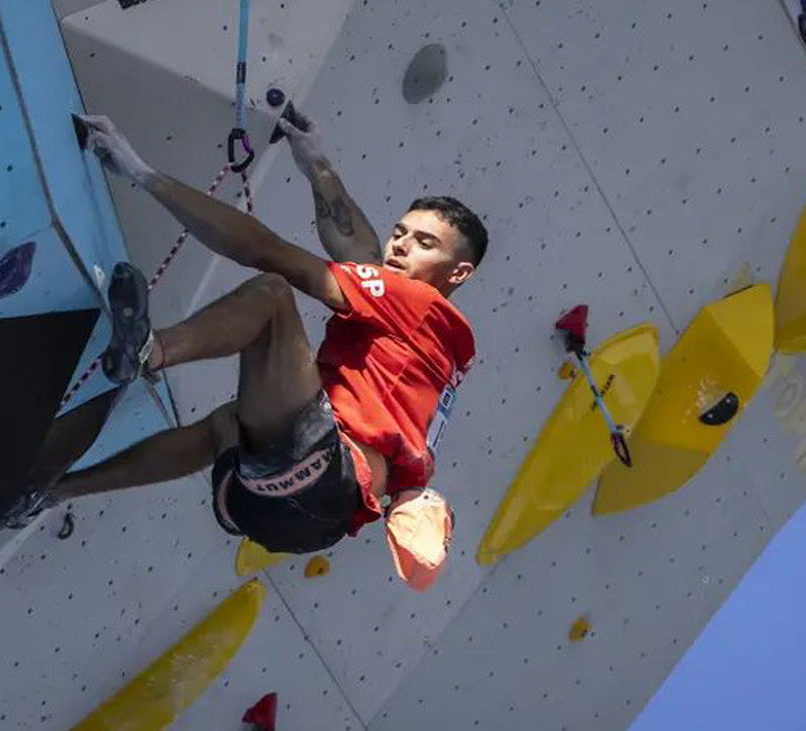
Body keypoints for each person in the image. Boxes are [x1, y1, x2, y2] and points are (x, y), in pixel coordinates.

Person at [42, 110, 487, 590]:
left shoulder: (413, 303)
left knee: (273, 296)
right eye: (399, 233)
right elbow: (362, 253)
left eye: (423, 243)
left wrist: (141, 172)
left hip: (322, 473)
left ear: (457, 273)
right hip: (289, 515)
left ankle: (149, 353)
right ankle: (54, 491)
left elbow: (269, 252)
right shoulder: (440, 355)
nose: (399, 248)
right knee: (226, 424)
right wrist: (315, 161)